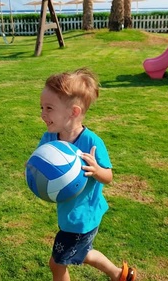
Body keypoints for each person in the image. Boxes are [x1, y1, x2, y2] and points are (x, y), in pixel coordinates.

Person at [36, 68, 137, 281]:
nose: (43, 114)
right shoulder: (50, 138)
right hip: (69, 214)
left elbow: (108, 177)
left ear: (73, 112)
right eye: (42, 107)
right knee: (83, 254)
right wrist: (33, 168)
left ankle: (118, 274)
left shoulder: (91, 142)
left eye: (49, 108)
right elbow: (39, 161)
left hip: (83, 218)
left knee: (57, 264)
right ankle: (119, 274)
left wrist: (96, 170)